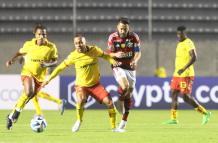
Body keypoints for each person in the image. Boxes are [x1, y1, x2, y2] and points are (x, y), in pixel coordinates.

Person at [42, 35, 123, 132]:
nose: (78, 45)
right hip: (81, 86)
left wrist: (112, 61)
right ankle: (79, 120)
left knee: (109, 103)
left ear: (85, 42)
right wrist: (48, 79)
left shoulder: (94, 50)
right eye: (76, 43)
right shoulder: (73, 56)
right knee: (81, 100)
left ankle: (114, 128)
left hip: (95, 85)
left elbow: (105, 55)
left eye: (80, 42)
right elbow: (60, 67)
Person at [5, 24, 64, 130]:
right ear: (35, 34)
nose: (42, 36)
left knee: (29, 95)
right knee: (28, 92)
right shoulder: (29, 44)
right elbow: (19, 52)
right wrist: (12, 60)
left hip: (40, 77)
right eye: (39, 34)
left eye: (44, 34)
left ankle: (10, 116)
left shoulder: (51, 47)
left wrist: (47, 65)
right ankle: (17, 112)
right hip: (27, 72)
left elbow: (56, 61)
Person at [163, 26, 211, 125]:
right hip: (177, 74)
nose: (179, 36)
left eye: (181, 34)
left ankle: (205, 113)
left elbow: (194, 57)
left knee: (185, 96)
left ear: (185, 33)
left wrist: (183, 68)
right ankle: (174, 119)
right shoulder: (179, 44)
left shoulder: (188, 43)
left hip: (186, 74)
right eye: (178, 34)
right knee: (173, 93)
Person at [107, 17, 141, 131]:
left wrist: (135, 61)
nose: (123, 31)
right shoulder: (112, 37)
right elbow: (109, 54)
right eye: (121, 29)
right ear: (117, 27)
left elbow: (138, 52)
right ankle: (119, 101)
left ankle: (123, 122)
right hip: (118, 66)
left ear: (128, 28)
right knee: (125, 86)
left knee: (129, 93)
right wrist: (116, 55)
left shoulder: (134, 37)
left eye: (125, 29)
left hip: (130, 67)